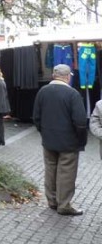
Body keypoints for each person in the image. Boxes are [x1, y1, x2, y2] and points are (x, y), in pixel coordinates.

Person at [33, 64, 87, 216]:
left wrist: (43, 132)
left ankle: (52, 201)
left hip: (48, 140)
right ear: (68, 76)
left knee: (50, 169)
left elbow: (36, 117)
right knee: (66, 173)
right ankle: (64, 204)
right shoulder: (72, 94)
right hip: (68, 142)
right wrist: (81, 141)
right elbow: (80, 122)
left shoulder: (43, 91)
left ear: (53, 76)